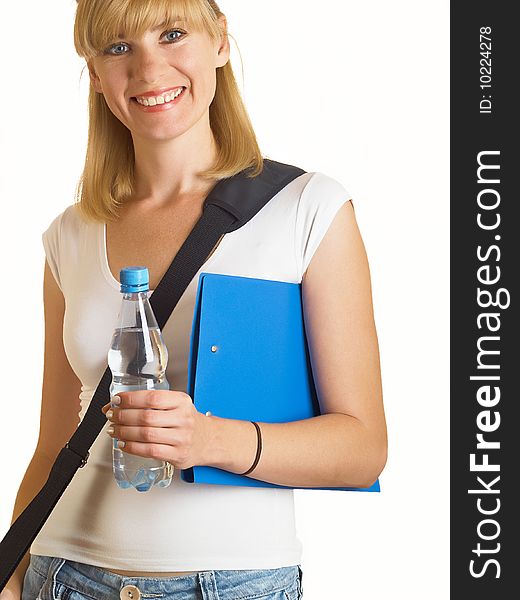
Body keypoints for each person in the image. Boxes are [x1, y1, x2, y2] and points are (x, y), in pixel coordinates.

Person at [1, 1, 387, 599]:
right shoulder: (69, 235)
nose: (149, 70)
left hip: (230, 583)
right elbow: (55, 440)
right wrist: (14, 571)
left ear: (221, 43)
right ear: (96, 73)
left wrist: (210, 440)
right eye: (118, 47)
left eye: (173, 34)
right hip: (62, 575)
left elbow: (363, 449)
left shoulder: (306, 209)